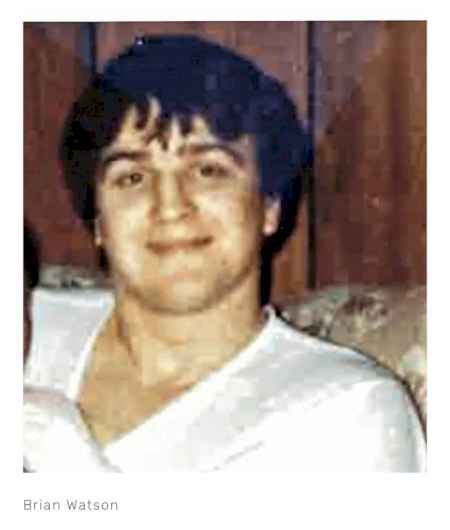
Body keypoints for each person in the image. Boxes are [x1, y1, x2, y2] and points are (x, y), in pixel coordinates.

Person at [23, 35, 426, 471]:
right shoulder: (28, 324)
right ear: (99, 222)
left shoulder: (350, 411)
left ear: (269, 206)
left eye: (208, 170)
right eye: (132, 177)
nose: (170, 206)